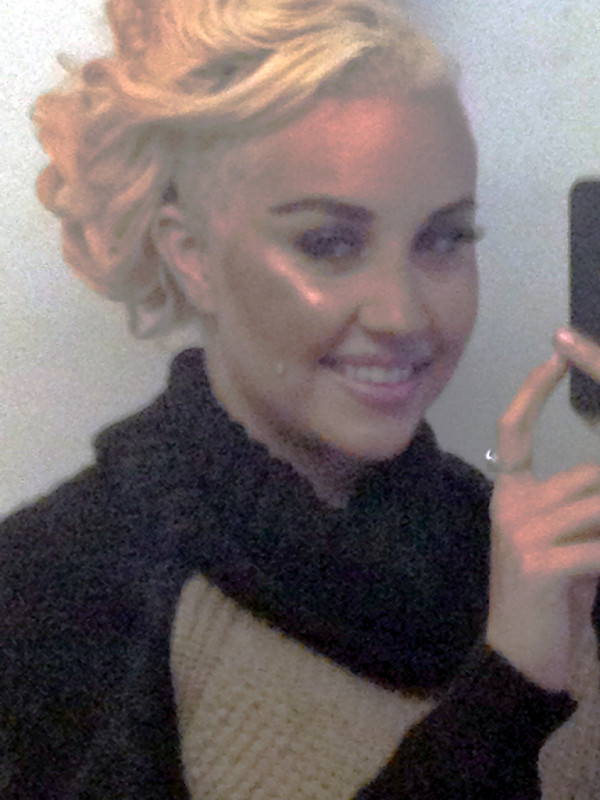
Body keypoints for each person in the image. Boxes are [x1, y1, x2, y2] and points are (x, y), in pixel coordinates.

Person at [2, 0, 600, 796]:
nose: (404, 315)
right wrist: (507, 696)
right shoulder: (51, 593)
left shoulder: (533, 557)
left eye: (444, 237)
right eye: (329, 242)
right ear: (192, 255)